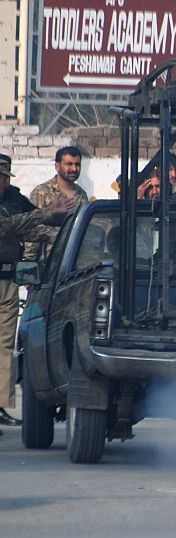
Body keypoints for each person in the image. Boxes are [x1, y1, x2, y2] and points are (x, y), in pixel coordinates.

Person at [0, 154, 75, 437]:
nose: (5, 182)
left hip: (8, 279)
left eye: (6, 177)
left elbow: (33, 226)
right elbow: (6, 227)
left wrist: (57, 232)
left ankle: (1, 406)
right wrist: (46, 215)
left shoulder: (14, 199)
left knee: (5, 345)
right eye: (2, 177)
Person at [27, 146, 88, 259]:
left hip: (74, 263)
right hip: (49, 265)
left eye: (77, 164)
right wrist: (28, 266)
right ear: (57, 166)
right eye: (69, 164)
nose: (74, 169)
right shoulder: (42, 192)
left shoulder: (81, 195)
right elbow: (32, 230)